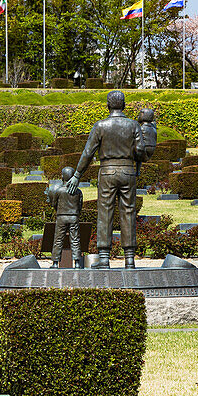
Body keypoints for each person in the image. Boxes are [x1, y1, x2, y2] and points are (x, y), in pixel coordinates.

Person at [66, 90, 153, 269]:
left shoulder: (100, 126)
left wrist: (77, 175)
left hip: (107, 171)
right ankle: (129, 258)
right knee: (128, 211)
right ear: (124, 105)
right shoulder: (133, 125)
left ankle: (104, 258)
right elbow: (140, 150)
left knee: (105, 212)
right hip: (128, 171)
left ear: (108, 105)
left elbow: (88, 152)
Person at [45, 166, 84, 270]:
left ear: (63, 176)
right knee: (75, 240)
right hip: (74, 217)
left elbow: (54, 204)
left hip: (61, 217)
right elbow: (80, 206)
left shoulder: (59, 191)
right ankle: (77, 263)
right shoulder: (78, 192)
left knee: (58, 239)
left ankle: (55, 263)